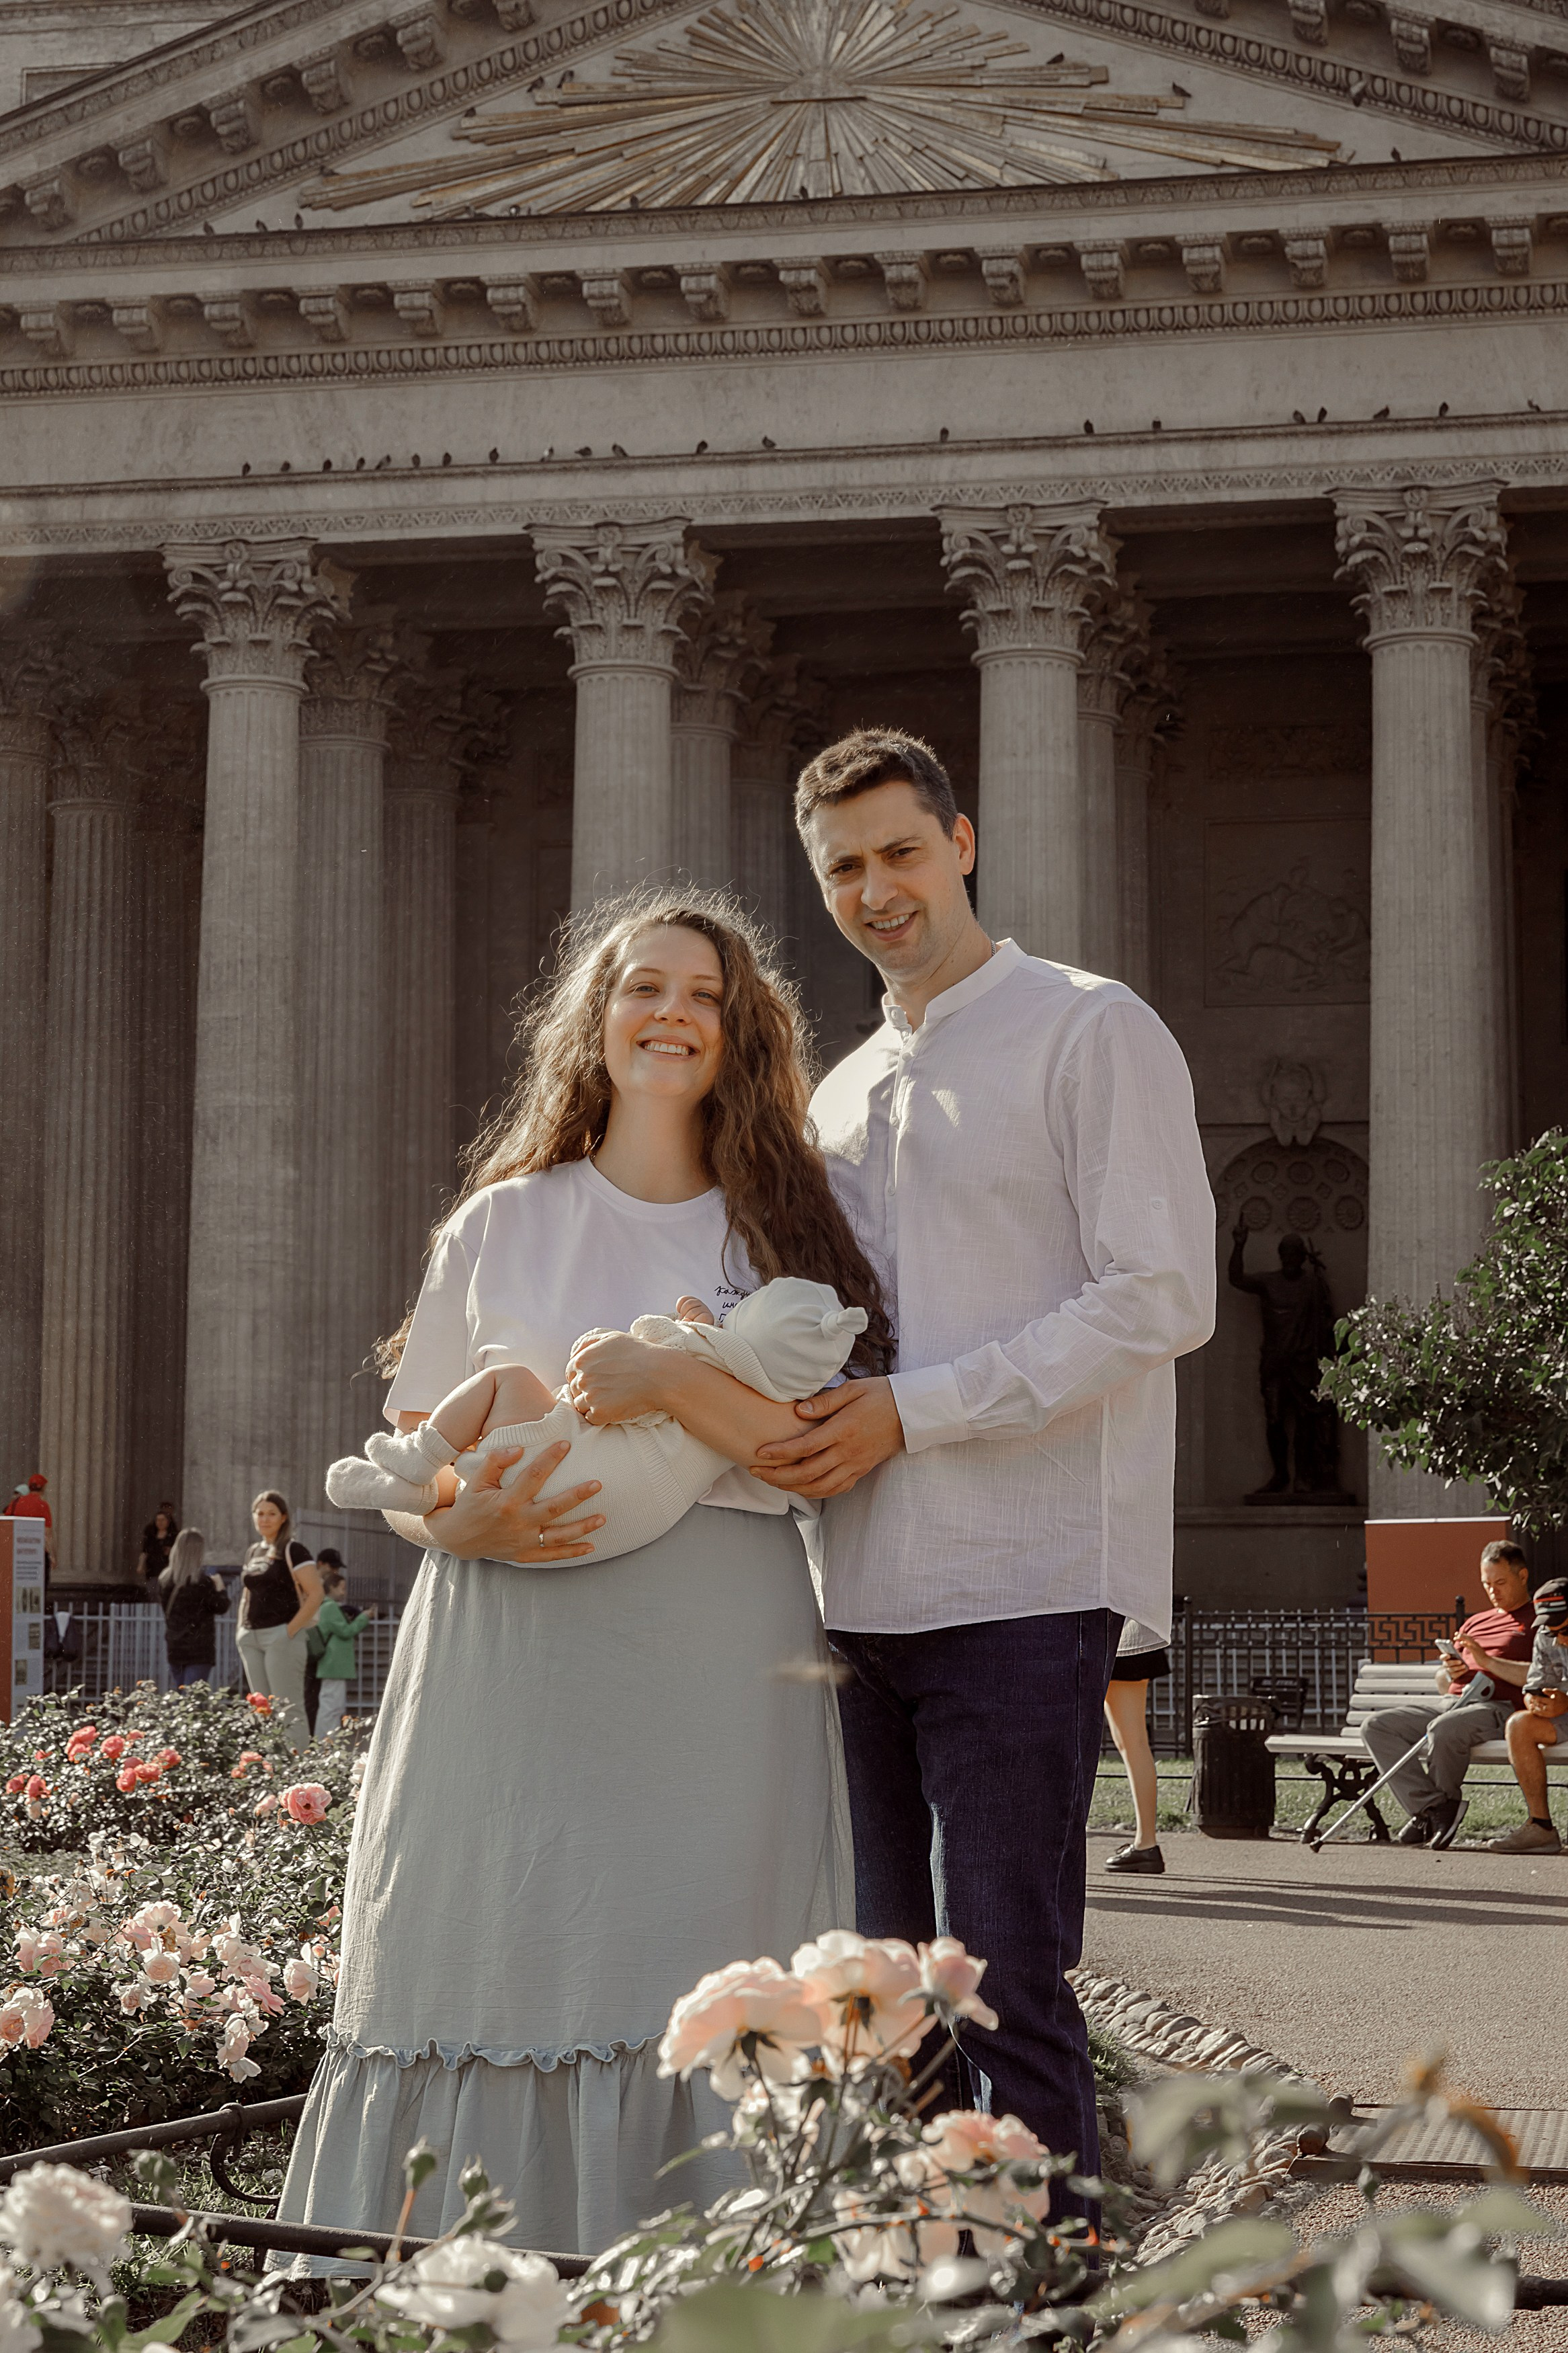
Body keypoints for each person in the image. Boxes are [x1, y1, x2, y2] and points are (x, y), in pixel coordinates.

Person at [275, 891, 884, 2261]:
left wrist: (672, 1376)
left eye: (703, 997)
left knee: (693, 1960)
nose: (670, 1013)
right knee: (489, 1958)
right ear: (594, 1019)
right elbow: (421, 1456)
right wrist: (460, 1529)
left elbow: (809, 1464)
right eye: (643, 987)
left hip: (710, 1650)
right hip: (503, 1651)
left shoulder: (777, 1234)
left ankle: (709, 2288)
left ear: (738, 1037)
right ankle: (462, 2279)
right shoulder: (497, 1223)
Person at [747, 729, 1215, 2204]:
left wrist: (913, 1411)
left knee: (1002, 1984)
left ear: (959, 843)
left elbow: (1159, 1294)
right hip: (850, 1592)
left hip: (1018, 1580)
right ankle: (944, 2286)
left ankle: (1049, 2294)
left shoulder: (1090, 1030)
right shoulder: (835, 1090)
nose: (875, 890)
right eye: (842, 869)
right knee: (889, 2002)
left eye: (897, 851)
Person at [324, 1278, 868, 1548]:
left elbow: (645, 1335)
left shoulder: (709, 1341)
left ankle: (418, 1467)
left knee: (507, 1384)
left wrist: (663, 1364)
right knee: (485, 1468)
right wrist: (445, 1533)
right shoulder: (492, 1217)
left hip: (587, 1484)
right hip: (623, 1522)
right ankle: (419, 1493)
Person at [1360, 1540, 1536, 1848]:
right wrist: (1450, 1671)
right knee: (1376, 1726)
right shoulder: (1476, 1621)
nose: (1493, 1591)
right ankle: (1431, 1809)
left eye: (1501, 1582)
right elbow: (1445, 1682)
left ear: (1523, 1577)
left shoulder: (1538, 1620)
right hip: (1454, 1702)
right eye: (1487, 1584)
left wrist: (1488, 1662)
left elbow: (1538, 1674)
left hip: (1501, 1708)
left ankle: (1440, 1810)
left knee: (1444, 1728)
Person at [1488, 1577, 1568, 1854]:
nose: (1559, 1637)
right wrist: (1534, 1701)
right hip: (1564, 1714)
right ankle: (1541, 1827)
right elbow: (1534, 1682)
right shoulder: (1545, 1635)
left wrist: (1565, 1704)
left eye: (1566, 1628)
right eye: (1551, 1627)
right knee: (1519, 1724)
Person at [235, 1492, 321, 1747]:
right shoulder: (254, 1551)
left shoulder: (293, 1549)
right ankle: (270, 1771)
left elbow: (317, 1593)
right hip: (251, 1637)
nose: (265, 1519)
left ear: (283, 1518)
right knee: (261, 1709)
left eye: (271, 1513)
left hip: (281, 1637)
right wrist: (241, 1630)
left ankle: (297, 1776)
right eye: (260, 1513)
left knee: (288, 1709)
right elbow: (247, 1593)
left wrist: (289, 1631)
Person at [1102, 1618, 1172, 1876]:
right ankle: (1146, 1842)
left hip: (1111, 1638)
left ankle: (1146, 1844)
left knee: (1129, 1744)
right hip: (1136, 1637)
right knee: (1134, 1745)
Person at [310, 1560, 376, 1739]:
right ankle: (326, 1743)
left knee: (332, 1706)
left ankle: (326, 1743)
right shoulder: (330, 1607)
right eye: (342, 1588)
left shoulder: (325, 1606)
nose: (344, 1592)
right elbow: (346, 1632)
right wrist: (363, 1618)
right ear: (332, 1587)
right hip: (334, 1663)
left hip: (333, 1664)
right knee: (332, 1707)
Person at [156, 1527, 229, 1687]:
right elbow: (222, 1607)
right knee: (193, 1700)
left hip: (175, 1646)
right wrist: (221, 1588)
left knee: (182, 1696)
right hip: (199, 1650)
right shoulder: (202, 1582)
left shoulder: (165, 1580)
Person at [5, 1475, 53, 1576]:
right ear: (43, 1488)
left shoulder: (16, 1503)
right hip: (37, 1553)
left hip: (17, 1551)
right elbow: (47, 1532)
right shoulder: (43, 1505)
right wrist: (52, 1555)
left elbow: (6, 1526)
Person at [136, 1503, 181, 1589]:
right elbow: (145, 1550)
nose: (160, 1523)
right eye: (158, 1520)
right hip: (153, 1567)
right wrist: (141, 1565)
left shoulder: (173, 1533)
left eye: (163, 1520)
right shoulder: (151, 1533)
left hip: (167, 1566)